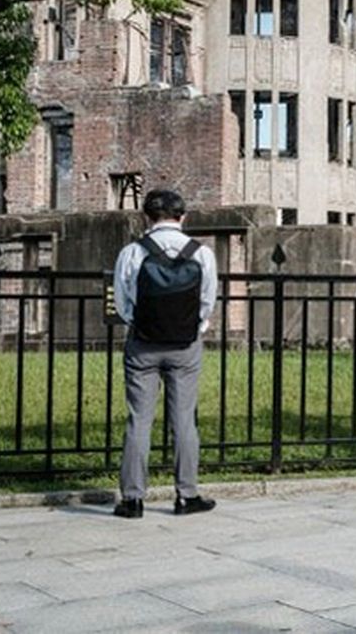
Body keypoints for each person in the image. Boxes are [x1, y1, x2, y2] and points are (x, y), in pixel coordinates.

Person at [112, 188, 219, 519]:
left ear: (146, 217)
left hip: (143, 344)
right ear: (183, 216)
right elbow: (207, 301)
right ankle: (186, 495)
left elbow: (122, 301)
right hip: (185, 346)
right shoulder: (201, 254)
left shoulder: (132, 252)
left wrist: (142, 324)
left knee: (139, 420)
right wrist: (193, 329)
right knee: (184, 420)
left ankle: (132, 499)